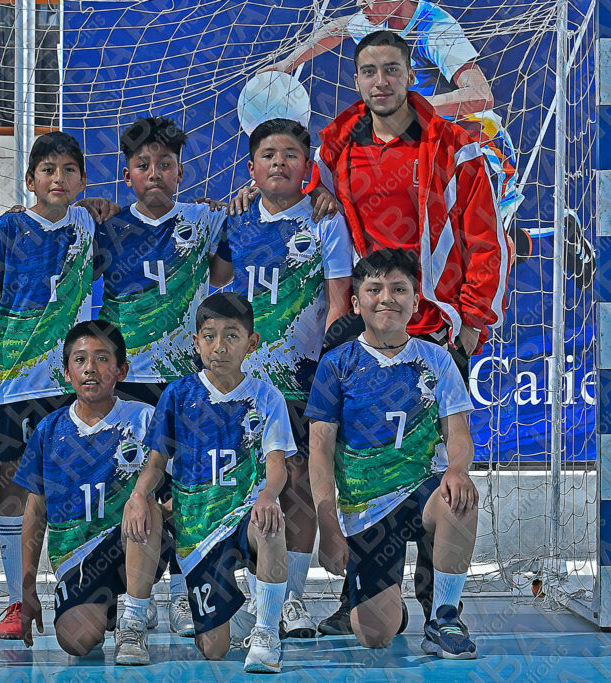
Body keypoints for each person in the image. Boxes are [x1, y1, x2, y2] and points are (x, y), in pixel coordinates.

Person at [309, 30, 507, 632]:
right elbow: (305, 193)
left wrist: (469, 324)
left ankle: (438, 604)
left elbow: (484, 240)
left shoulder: (455, 147)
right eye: (368, 71)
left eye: (391, 70)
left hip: (435, 334)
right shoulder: (339, 147)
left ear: (410, 74)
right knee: (361, 463)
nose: (380, 82)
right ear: (356, 79)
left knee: (435, 470)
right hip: (365, 336)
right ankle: (361, 593)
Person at [259, 0, 547, 264]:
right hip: (422, 148)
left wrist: (409, 106)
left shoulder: (435, 27)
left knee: (477, 256)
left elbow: (481, 96)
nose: (360, 4)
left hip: (474, 146)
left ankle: (529, 240)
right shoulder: (373, 19)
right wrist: (287, 64)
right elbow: (336, 28)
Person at [212, 118, 353, 639]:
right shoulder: (236, 220)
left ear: (308, 166)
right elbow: (218, 294)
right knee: (237, 482)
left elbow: (340, 304)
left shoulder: (325, 223)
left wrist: (329, 375)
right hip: (240, 384)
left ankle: (291, 600)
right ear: (251, 168)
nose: (278, 162)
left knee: (296, 484)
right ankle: (244, 594)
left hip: (300, 380)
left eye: (290, 154)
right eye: (268, 154)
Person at [306, 248, 479, 660]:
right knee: (374, 635)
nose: (388, 298)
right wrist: (327, 524)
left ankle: (444, 615)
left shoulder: (437, 359)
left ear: (416, 302)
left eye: (400, 289)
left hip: (424, 493)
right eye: (375, 288)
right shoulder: (335, 365)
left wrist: (457, 469)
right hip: (367, 507)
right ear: (355, 301)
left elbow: (457, 433)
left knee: (462, 497)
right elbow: (319, 452)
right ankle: (394, 597)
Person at [96, 115, 229, 636]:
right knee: (131, 491)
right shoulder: (104, 227)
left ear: (181, 172)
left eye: (165, 165)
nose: (155, 173)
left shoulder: (205, 221)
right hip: (126, 384)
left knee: (185, 490)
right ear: (126, 173)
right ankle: (134, 596)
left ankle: (180, 591)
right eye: (142, 165)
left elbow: (224, 271)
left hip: (184, 385)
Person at [124, 292, 297, 673]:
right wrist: (138, 495)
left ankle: (267, 634)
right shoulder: (177, 395)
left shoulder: (267, 397)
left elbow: (276, 464)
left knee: (271, 521)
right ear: (196, 342)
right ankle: (135, 619)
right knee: (214, 649)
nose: (220, 347)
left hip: (242, 518)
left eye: (232, 336)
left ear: (252, 343)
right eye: (210, 336)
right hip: (197, 529)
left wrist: (268, 494)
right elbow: (155, 465)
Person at [0, 131, 100, 639]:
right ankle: (14, 599)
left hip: (74, 383)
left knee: (74, 484)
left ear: (83, 180)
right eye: (47, 170)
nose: (58, 178)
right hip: (14, 382)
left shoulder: (91, 224)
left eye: (68, 170)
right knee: (15, 483)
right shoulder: (7, 229)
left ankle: (81, 590)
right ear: (29, 180)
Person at [17, 321, 172, 665]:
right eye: (80, 359)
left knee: (143, 501)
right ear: (66, 371)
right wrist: (27, 587)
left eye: (102, 359)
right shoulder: (48, 430)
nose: (90, 368)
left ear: (121, 370)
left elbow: (186, 485)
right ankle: (116, 609)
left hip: (137, 540)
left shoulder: (146, 419)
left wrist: (158, 510)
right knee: (76, 641)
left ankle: (133, 620)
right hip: (78, 560)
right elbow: (35, 512)